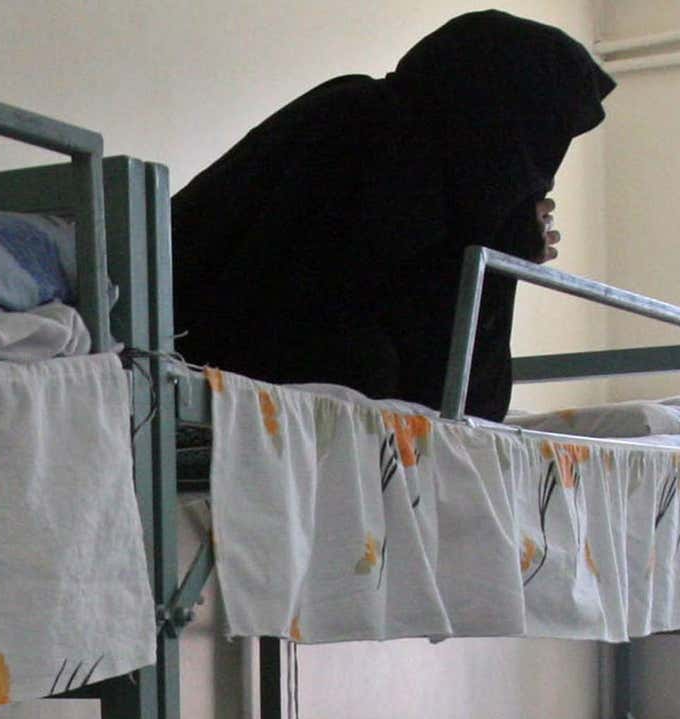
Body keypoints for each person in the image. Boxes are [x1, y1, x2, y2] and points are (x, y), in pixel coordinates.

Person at [172, 11, 615, 420]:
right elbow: (437, 394)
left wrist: (503, 252)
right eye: (539, 141)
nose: (539, 179)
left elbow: (465, 410)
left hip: (210, 375)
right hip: (197, 374)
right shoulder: (372, 131)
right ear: (500, 117)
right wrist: (499, 252)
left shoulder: (415, 147)